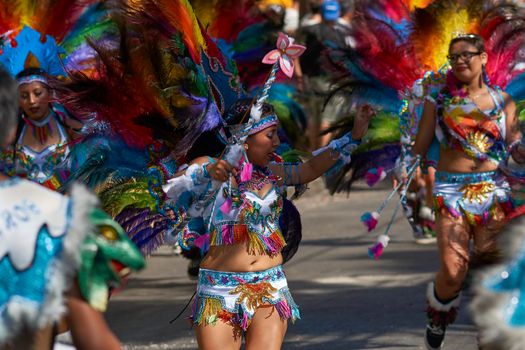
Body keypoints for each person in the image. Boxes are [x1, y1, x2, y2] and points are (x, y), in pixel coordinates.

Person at [164, 96, 373, 349]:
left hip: (269, 286)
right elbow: (173, 186)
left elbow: (308, 170)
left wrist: (355, 134)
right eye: (270, 135)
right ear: (244, 139)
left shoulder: (273, 172)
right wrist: (207, 173)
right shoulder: (210, 167)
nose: (277, 142)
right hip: (219, 290)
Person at [408, 33, 525, 349]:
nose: (460, 60)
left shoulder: (503, 102)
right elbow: (419, 147)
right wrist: (404, 168)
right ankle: (438, 315)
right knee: (453, 271)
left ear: (483, 58)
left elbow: (513, 142)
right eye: (454, 56)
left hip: (493, 191)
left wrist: (519, 151)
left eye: (467, 54)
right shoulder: (439, 102)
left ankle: (489, 334)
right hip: (451, 193)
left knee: (491, 267)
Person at [0, 26, 84, 192]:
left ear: (50, 92)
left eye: (38, 93)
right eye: (24, 96)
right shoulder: (11, 134)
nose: (32, 101)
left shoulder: (70, 125)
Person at [298, 0, 355, 149]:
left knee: (313, 117)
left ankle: (312, 151)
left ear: (321, 14)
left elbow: (300, 55)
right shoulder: (343, 34)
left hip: (313, 80)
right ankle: (319, 153)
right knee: (327, 119)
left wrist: (301, 76)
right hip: (334, 82)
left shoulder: (309, 31)